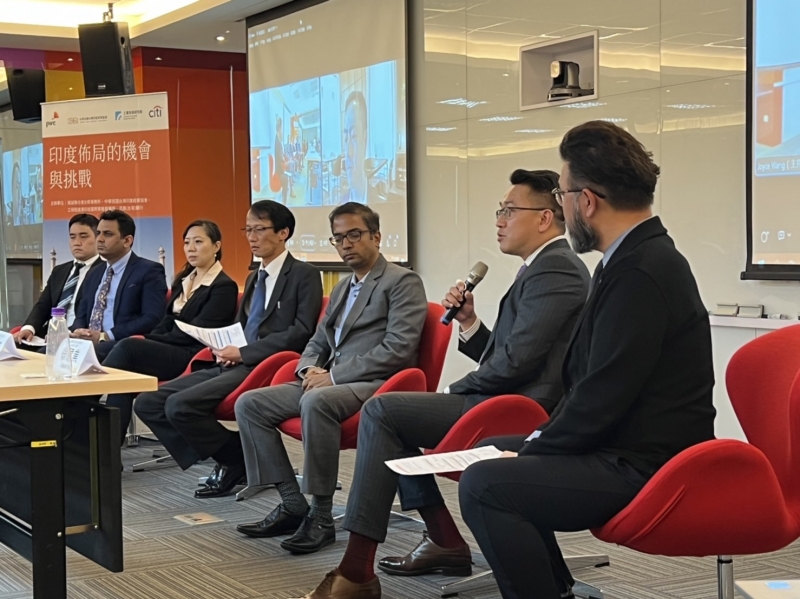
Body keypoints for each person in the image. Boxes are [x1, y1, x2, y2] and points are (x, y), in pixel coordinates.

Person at [296, 170, 591, 599]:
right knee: (391, 419)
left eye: (509, 211)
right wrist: (469, 322)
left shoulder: (556, 269)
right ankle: (439, 542)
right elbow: (510, 355)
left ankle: (359, 568)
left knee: (383, 410)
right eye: (500, 210)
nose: (499, 220)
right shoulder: (539, 268)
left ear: (545, 218)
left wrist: (452, 391)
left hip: (522, 409)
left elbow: (515, 365)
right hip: (503, 396)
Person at [456, 120, 716, 599]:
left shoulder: (640, 272)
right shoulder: (632, 258)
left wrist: (533, 450)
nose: (563, 207)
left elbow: (600, 396)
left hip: (643, 462)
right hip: (620, 443)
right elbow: (594, 387)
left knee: (486, 485)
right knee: (493, 453)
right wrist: (533, 445)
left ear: (587, 201)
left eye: (563, 195)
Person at [233, 202, 427, 557]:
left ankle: (321, 516)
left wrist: (334, 376)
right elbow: (318, 340)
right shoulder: (340, 288)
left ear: (377, 237)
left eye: (354, 235)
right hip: (328, 380)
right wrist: (309, 368)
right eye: (338, 238)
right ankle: (292, 503)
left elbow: (397, 349)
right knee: (250, 404)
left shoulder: (402, 281)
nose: (346, 244)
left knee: (316, 400)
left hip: (377, 383)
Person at [134, 200, 322, 496]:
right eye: (248, 230)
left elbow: (301, 331)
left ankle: (233, 461)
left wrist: (245, 353)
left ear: (283, 233)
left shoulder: (303, 274)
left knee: (180, 405)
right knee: (148, 402)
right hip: (233, 361)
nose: (251, 237)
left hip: (265, 365)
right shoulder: (253, 276)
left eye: (259, 230)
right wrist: (224, 346)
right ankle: (236, 455)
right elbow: (242, 325)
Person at [102, 220, 239, 440]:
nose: (191, 248)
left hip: (193, 353)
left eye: (198, 242)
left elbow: (199, 330)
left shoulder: (223, 286)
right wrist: (151, 338)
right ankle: (107, 447)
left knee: (127, 348)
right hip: (170, 346)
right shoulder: (183, 280)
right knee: (111, 354)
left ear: (216, 246)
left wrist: (151, 340)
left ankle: (86, 400)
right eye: (186, 243)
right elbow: (166, 322)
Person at [71, 210, 167, 361]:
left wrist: (105, 336)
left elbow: (152, 318)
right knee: (46, 351)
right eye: (98, 233)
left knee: (81, 356)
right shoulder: (94, 272)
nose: (99, 239)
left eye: (108, 234)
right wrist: (80, 332)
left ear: (127, 241)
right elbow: (81, 314)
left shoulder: (149, 270)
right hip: (87, 342)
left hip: (120, 343)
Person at [14, 213, 103, 344]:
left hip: (79, 337)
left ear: (98, 239)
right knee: (13, 346)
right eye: (72, 237)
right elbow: (43, 306)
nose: (77, 242)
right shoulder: (59, 271)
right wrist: (29, 328)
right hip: (49, 335)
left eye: (83, 236)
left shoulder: (105, 271)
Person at [339, 91, 377, 205]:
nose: (348, 153)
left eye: (354, 136)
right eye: (346, 138)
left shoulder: (380, 205)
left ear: (365, 140)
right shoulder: (340, 206)